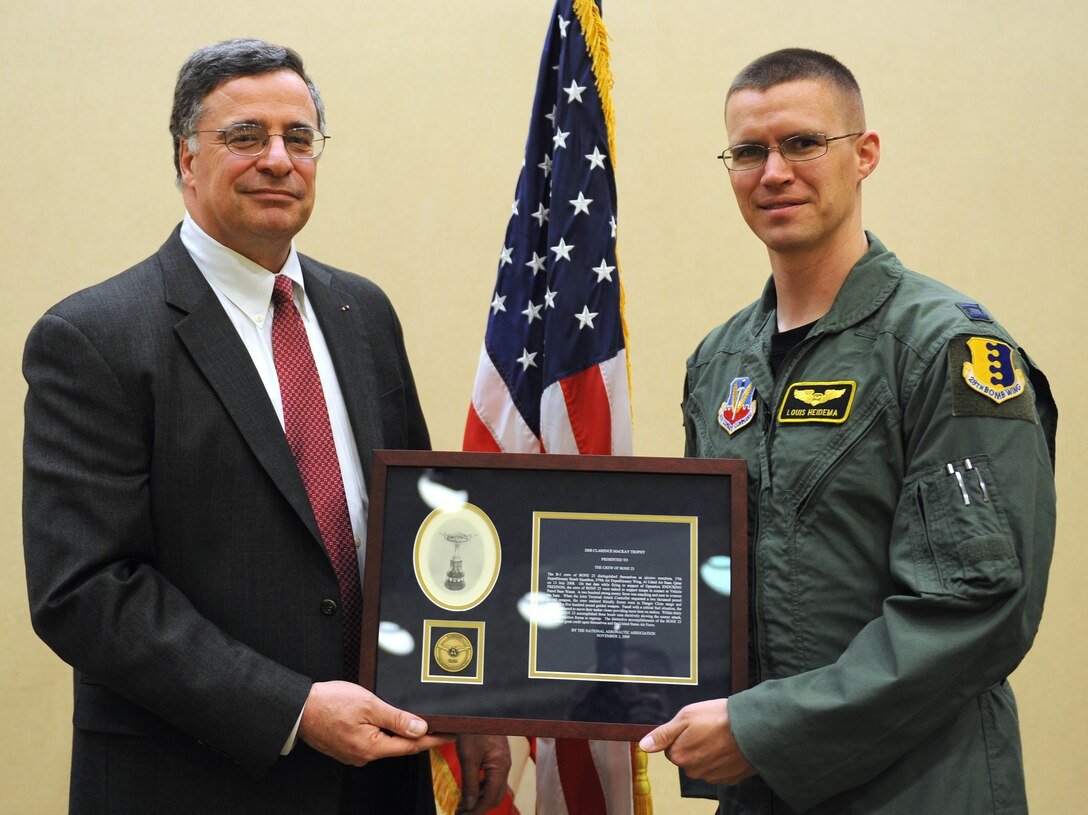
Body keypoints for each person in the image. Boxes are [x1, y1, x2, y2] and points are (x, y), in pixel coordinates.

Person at [22, 39, 508, 815]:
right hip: (195, 781)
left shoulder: (363, 312)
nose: (278, 159)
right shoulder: (96, 338)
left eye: (299, 138)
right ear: (186, 159)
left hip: (383, 778)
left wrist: (467, 703)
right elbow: (84, 591)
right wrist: (292, 709)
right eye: (246, 136)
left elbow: (422, 522)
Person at [639, 48, 1057, 814]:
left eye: (802, 143)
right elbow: (708, 581)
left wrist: (764, 729)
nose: (774, 172)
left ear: (864, 154)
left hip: (920, 787)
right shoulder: (718, 361)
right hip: (761, 788)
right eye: (748, 151)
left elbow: (977, 605)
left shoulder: (947, 351)